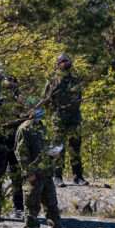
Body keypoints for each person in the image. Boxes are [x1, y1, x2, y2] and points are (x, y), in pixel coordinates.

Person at [15, 107, 75, 228]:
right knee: (32, 207)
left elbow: (44, 148)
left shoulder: (42, 127)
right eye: (38, 109)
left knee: (52, 205)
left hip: (46, 173)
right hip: (33, 175)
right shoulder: (24, 128)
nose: (41, 112)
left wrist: (53, 154)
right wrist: (27, 173)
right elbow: (21, 152)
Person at [43, 53, 87, 187]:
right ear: (58, 65)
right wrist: (54, 113)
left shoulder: (76, 80)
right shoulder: (52, 81)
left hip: (74, 118)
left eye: (67, 61)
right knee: (57, 149)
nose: (65, 64)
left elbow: (79, 98)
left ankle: (78, 176)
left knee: (75, 148)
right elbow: (45, 100)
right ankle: (57, 177)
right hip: (59, 119)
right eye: (62, 62)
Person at [0, 66, 24, 218]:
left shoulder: (20, 99)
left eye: (14, 84)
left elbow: (34, 108)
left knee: (17, 175)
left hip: (15, 142)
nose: (12, 86)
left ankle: (18, 207)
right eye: (9, 83)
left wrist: (26, 102)